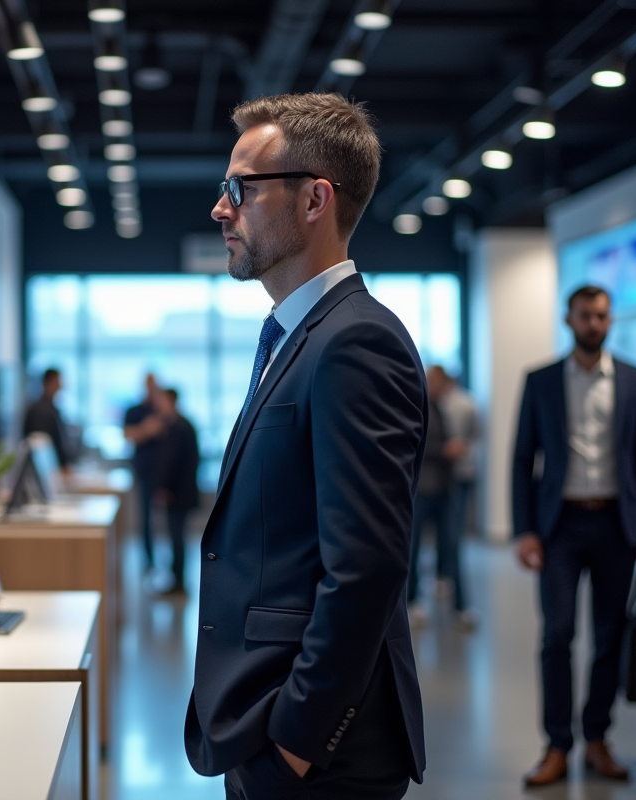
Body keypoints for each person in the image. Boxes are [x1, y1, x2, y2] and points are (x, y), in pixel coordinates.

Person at [185, 92, 426, 800]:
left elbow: (367, 569)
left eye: (240, 189)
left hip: (319, 755)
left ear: (315, 199)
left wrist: (295, 744)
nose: (220, 209)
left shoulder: (356, 342)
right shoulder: (303, 334)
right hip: (264, 718)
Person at [512, 285, 636, 787]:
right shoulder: (541, 381)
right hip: (560, 527)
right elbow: (521, 460)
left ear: (610, 320)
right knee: (557, 635)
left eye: (601, 316)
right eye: (585, 316)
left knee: (609, 638)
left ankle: (597, 737)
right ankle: (557, 745)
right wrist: (525, 530)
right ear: (568, 319)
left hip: (618, 525)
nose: (594, 323)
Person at [406, 369, 452, 629]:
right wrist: (445, 450)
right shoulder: (416, 406)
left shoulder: (440, 409)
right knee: (414, 549)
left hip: (442, 489)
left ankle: (456, 602)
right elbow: (415, 445)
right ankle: (412, 600)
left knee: (449, 546)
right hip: (422, 490)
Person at [435, 366, 479, 630]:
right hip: (432, 483)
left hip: (459, 478)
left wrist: (461, 448)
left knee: (453, 538)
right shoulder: (425, 402)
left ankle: (456, 597)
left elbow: (475, 435)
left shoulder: (466, 405)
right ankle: (439, 579)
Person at [154, 388, 199, 595]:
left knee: (177, 537)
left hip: (178, 494)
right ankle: (176, 579)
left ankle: (178, 583)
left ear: (170, 401)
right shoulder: (182, 425)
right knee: (176, 536)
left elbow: (173, 463)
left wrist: (165, 488)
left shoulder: (178, 427)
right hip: (181, 492)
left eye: (162, 400)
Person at [124, 374, 167, 570]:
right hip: (144, 471)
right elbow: (128, 436)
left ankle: (171, 563)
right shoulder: (134, 411)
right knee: (146, 518)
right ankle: (149, 560)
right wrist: (146, 430)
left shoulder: (163, 411)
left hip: (166, 472)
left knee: (171, 517)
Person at [23, 368, 71, 473]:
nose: (61, 385)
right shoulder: (40, 410)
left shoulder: (51, 408)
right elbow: (41, 447)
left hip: (52, 470)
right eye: (58, 380)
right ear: (50, 381)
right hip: (46, 471)